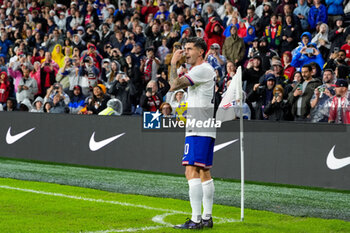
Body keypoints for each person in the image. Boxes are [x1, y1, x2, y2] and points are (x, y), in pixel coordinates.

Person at [169, 37, 216, 229]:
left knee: (191, 170)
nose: (185, 52)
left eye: (189, 49)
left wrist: (173, 63)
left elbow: (173, 85)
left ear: (201, 52)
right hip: (203, 124)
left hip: (199, 126)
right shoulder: (201, 71)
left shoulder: (201, 69)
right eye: (184, 49)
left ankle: (196, 220)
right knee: (204, 171)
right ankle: (207, 217)